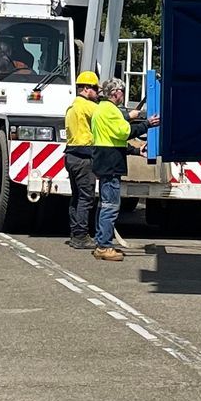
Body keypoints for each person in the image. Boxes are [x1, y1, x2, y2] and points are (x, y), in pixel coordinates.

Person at [88, 79, 134, 259]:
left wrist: (135, 150)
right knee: (111, 206)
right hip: (111, 163)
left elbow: (115, 136)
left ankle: (101, 242)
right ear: (115, 92)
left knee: (104, 205)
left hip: (103, 161)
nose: (123, 94)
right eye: (122, 91)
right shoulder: (111, 110)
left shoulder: (100, 108)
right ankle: (104, 246)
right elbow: (124, 132)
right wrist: (147, 124)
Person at [62, 67, 101, 249]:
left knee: (76, 197)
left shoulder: (72, 106)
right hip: (84, 157)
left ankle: (74, 232)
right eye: (95, 88)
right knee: (86, 197)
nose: (97, 92)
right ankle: (81, 236)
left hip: (71, 156)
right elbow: (108, 119)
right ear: (86, 88)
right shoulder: (89, 106)